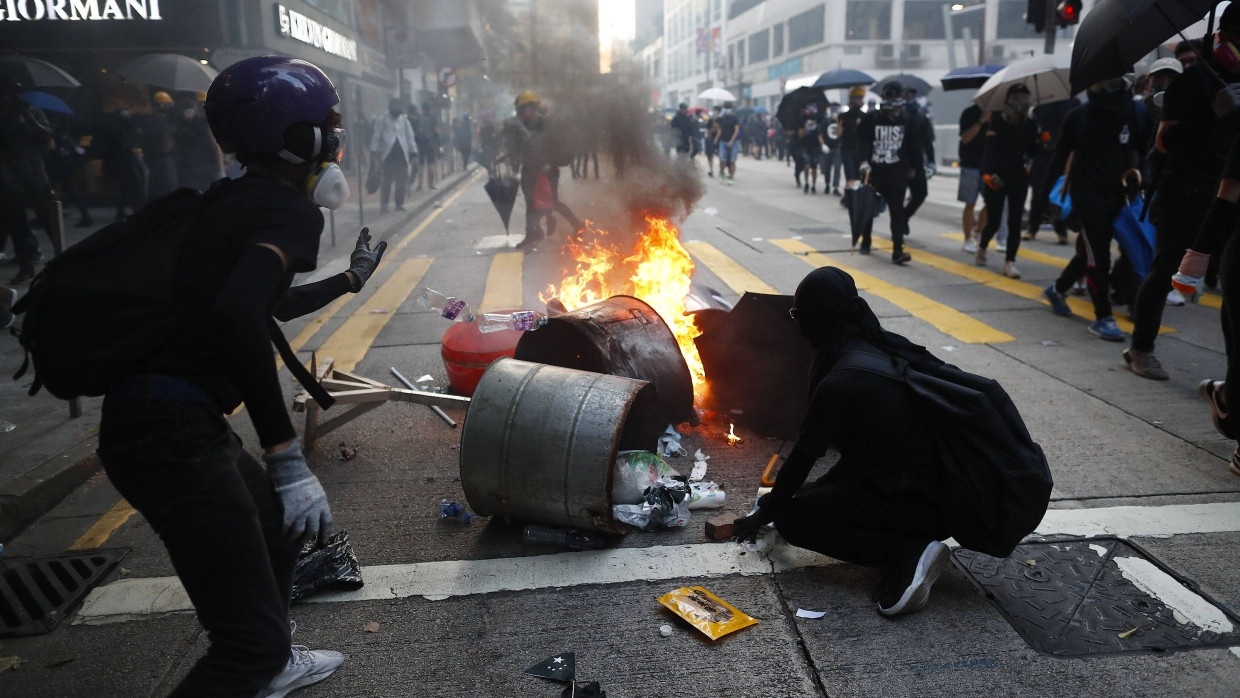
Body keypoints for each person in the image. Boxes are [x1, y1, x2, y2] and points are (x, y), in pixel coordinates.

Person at [97, 55, 388, 697]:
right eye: (328, 128)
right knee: (243, 649)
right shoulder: (285, 211)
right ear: (301, 139)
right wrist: (285, 453)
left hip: (167, 423)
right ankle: (262, 659)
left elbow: (262, 303)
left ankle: (274, 660)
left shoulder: (231, 203)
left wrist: (350, 280)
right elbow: (238, 311)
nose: (337, 142)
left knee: (278, 527)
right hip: (169, 435)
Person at [732, 266, 951, 617]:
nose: (798, 325)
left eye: (797, 315)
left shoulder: (843, 379)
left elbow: (803, 458)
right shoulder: (870, 347)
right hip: (924, 486)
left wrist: (772, 510)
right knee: (801, 496)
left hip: (916, 498)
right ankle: (909, 537)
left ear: (816, 319)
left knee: (794, 520)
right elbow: (856, 457)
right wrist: (785, 497)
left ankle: (906, 551)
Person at [1127, 19, 1240, 380]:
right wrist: (1212, 110)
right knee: (1164, 274)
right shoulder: (1192, 83)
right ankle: (1140, 349)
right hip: (1185, 195)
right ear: (1222, 39)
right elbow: (1164, 142)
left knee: (1230, 281)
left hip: (1229, 196)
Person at [1041, 76, 1151, 341]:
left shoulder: (1138, 112)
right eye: (1104, 80)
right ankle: (1103, 317)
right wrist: (1043, 201)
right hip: (1087, 195)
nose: (1111, 85)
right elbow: (1058, 158)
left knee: (1089, 252)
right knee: (1098, 255)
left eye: (1118, 79)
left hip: (1122, 195)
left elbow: (1146, 153)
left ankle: (1057, 289)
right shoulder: (1078, 117)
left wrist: (1146, 182)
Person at [976, 84, 1041, 279]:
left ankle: (1009, 261)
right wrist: (987, 173)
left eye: (1024, 96)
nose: (1021, 101)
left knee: (1015, 221)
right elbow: (989, 152)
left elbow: (1032, 152)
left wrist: (1042, 142)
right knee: (994, 220)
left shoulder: (1029, 124)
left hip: (1018, 176)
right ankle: (982, 246)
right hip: (996, 176)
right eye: (1017, 96)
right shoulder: (996, 123)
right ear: (1008, 100)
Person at [858, 82, 925, 265]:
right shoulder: (872, 118)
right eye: (889, 95)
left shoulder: (907, 118)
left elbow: (913, 145)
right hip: (874, 172)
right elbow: (862, 142)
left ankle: (897, 249)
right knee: (869, 209)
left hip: (897, 173)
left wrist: (913, 168)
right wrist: (863, 163)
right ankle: (866, 241)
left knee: (897, 212)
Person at [511, 90, 584, 247]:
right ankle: (533, 233)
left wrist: (550, 163)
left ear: (533, 108)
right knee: (531, 202)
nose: (523, 114)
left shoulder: (549, 126)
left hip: (547, 172)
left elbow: (563, 149)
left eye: (525, 110)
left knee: (553, 202)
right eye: (520, 111)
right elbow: (517, 148)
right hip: (529, 171)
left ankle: (578, 225)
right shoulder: (521, 128)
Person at [0, 80, 54, 284]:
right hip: (9, 177)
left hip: (35, 174)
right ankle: (25, 266)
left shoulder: (32, 112)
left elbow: (47, 138)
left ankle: (64, 259)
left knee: (49, 220)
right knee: (17, 225)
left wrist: (28, 115)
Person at [1023, 98, 1079, 245]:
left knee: (1061, 193)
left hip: (1063, 156)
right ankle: (1032, 226)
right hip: (1043, 155)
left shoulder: (1073, 105)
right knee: (1038, 192)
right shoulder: (1040, 107)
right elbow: (1033, 133)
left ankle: (1061, 229)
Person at [369, 98, 417, 214]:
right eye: (394, 105)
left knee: (402, 181)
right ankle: (385, 204)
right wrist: (373, 151)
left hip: (402, 155)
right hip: (388, 155)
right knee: (387, 181)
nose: (397, 108)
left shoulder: (404, 121)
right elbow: (377, 135)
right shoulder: (382, 120)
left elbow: (410, 137)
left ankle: (399, 203)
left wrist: (413, 152)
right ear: (390, 106)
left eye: (398, 106)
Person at [172, 95, 226, 193]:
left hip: (205, 169)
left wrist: (221, 170)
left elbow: (215, 145)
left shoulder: (203, 121)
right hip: (187, 170)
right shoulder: (179, 123)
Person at [957, 102, 991, 253]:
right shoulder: (969, 113)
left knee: (992, 202)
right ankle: (967, 238)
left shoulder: (998, 114)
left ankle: (978, 231)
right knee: (970, 202)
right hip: (971, 164)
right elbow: (965, 138)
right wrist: (981, 121)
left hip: (990, 165)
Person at [901, 88, 936, 221]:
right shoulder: (896, 117)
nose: (910, 97)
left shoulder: (921, 118)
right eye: (907, 94)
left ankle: (904, 216)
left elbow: (928, 142)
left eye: (912, 95)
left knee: (921, 193)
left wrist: (931, 162)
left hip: (916, 161)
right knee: (897, 196)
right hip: (898, 162)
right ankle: (898, 224)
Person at [142, 91, 178, 200]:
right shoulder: (167, 123)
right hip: (164, 161)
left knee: (154, 193)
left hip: (151, 162)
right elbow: (168, 146)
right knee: (168, 191)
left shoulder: (147, 121)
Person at [837, 87, 868, 210]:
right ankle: (849, 199)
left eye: (859, 98)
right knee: (850, 177)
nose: (857, 100)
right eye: (855, 98)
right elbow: (839, 134)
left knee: (861, 177)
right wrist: (839, 124)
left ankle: (854, 197)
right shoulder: (843, 116)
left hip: (861, 151)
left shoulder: (865, 117)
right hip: (848, 149)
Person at [410, 104, 438, 191]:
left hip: (420, 143)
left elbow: (414, 131)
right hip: (431, 142)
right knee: (431, 163)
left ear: (422, 109)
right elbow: (436, 131)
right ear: (430, 109)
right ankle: (431, 184)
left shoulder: (419, 118)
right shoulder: (433, 118)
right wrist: (438, 144)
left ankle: (420, 185)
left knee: (421, 164)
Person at [819, 103, 842, 196]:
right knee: (827, 168)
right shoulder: (825, 122)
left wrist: (838, 122)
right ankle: (827, 184)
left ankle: (836, 187)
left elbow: (842, 134)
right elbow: (820, 135)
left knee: (837, 168)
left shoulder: (840, 121)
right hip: (828, 148)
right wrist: (823, 145)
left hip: (837, 148)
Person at [714, 102, 740, 183]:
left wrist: (732, 141)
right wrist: (719, 113)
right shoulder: (722, 118)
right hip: (723, 141)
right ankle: (722, 172)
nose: (727, 109)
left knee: (732, 161)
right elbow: (716, 123)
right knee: (723, 160)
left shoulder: (735, 118)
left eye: (728, 107)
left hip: (734, 142)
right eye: (726, 107)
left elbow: (736, 130)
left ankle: (731, 177)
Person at [703, 105, 720, 177]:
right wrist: (706, 135)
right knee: (709, 155)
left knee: (721, 156)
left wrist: (716, 138)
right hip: (710, 138)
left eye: (715, 110)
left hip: (719, 139)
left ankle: (721, 170)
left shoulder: (721, 120)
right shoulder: (710, 120)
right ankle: (711, 170)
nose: (714, 112)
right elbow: (707, 129)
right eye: (713, 110)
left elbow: (720, 130)